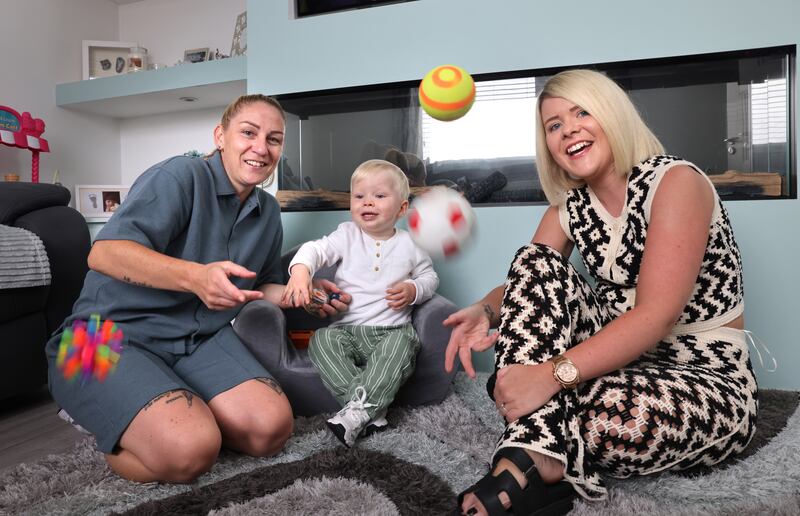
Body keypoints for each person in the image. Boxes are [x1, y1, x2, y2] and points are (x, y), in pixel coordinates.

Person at [444, 69, 757, 515]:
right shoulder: (570, 206)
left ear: (613, 116)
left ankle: (530, 460)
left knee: (599, 418)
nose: (568, 129)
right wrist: (485, 310)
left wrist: (549, 376)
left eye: (582, 111)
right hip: (618, 363)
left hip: (707, 380)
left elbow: (656, 317)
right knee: (533, 262)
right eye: (554, 125)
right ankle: (539, 463)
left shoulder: (675, 182)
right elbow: (529, 278)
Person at [45, 94, 350, 484]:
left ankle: (161, 406)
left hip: (195, 338)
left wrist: (302, 293)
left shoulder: (268, 212)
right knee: (191, 451)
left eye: (274, 139)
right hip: (98, 337)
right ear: (220, 136)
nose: (261, 147)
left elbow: (260, 286)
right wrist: (194, 276)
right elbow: (104, 253)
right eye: (248, 133)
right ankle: (103, 412)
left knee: (270, 431)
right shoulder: (179, 176)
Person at [282, 159, 439, 447]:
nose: (367, 202)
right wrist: (301, 269)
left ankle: (356, 414)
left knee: (403, 347)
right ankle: (371, 411)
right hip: (348, 330)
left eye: (379, 196)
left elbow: (430, 278)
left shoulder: (409, 245)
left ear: (402, 209)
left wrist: (414, 288)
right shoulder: (346, 235)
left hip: (392, 331)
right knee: (322, 340)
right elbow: (316, 250)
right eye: (359, 196)